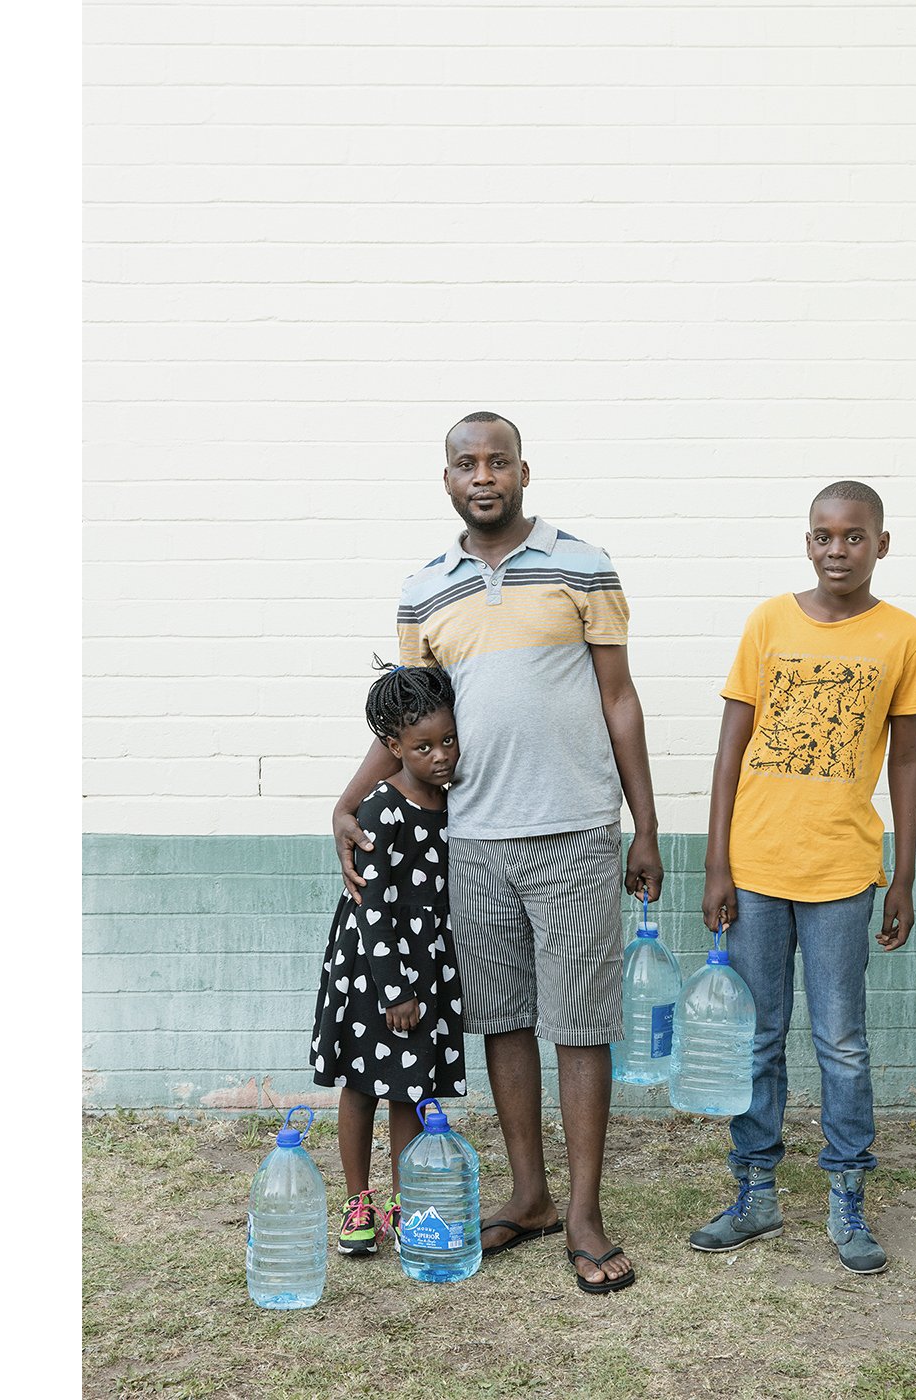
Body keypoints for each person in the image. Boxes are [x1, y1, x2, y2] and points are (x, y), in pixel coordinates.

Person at [332, 411, 661, 1295]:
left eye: (498, 461)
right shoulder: (424, 591)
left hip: (573, 832)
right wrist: (348, 800)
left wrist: (646, 825)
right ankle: (531, 1195)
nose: (483, 475)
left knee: (579, 1025)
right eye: (465, 463)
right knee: (505, 1020)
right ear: (446, 479)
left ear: (524, 471)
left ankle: (585, 1214)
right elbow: (403, 719)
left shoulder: (582, 562)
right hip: (468, 843)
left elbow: (620, 699)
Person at [687, 480, 916, 1276]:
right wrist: (717, 859)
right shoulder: (769, 622)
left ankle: (846, 1198)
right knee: (758, 1038)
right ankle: (755, 1193)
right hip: (756, 868)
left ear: (881, 545)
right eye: (824, 536)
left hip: (842, 871)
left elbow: (906, 758)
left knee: (842, 1043)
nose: (838, 550)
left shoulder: (904, 637)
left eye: (855, 537)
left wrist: (902, 875)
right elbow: (731, 748)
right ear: (807, 542)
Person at [309, 661, 469, 1257]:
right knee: (362, 1082)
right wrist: (393, 989)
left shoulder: (455, 805)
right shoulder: (382, 809)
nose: (440, 755)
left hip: (424, 962)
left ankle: (408, 1205)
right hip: (374, 967)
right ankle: (359, 1199)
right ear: (393, 747)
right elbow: (371, 907)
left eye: (448, 740)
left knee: (411, 1086)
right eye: (422, 746)